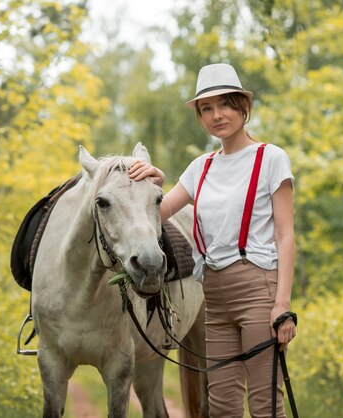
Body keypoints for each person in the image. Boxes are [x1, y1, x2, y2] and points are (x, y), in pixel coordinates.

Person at [129, 63, 296, 418]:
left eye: (225, 104)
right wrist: (151, 184)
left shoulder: (271, 158)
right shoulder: (200, 167)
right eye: (207, 108)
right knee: (221, 406)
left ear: (242, 107)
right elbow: (158, 213)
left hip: (257, 288)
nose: (217, 115)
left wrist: (282, 304)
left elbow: (285, 235)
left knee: (265, 404)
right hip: (214, 296)